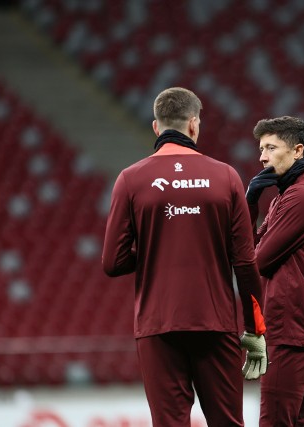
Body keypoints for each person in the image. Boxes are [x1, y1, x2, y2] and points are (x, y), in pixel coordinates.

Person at [102, 87, 268, 427]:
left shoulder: (130, 179)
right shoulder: (226, 176)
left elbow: (113, 261)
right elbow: (245, 262)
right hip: (216, 321)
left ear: (156, 128)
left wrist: (155, 248)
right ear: (194, 125)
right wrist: (255, 329)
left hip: (157, 324)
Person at [245, 116, 304, 427]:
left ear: (297, 151)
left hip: (291, 324)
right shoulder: (289, 193)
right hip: (298, 324)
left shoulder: (303, 195)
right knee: (301, 422)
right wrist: (252, 203)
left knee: (276, 421)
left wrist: (250, 201)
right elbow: (250, 246)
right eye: (261, 148)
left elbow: (256, 260)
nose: (262, 157)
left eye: (271, 147)